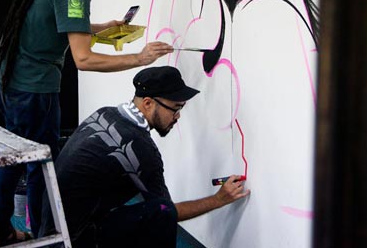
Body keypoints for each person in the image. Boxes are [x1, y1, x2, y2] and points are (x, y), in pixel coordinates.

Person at [0, 0, 174, 247]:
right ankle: (45, 239)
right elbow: (83, 59)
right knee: (40, 166)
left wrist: (103, 27)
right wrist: (139, 59)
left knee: (15, 158)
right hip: (32, 88)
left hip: (7, 76)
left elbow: (61, 22)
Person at [39, 66, 250, 247]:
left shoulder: (106, 113)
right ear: (148, 103)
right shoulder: (140, 147)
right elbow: (167, 210)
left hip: (50, 230)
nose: (178, 116)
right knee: (160, 214)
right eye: (175, 108)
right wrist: (218, 199)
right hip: (72, 240)